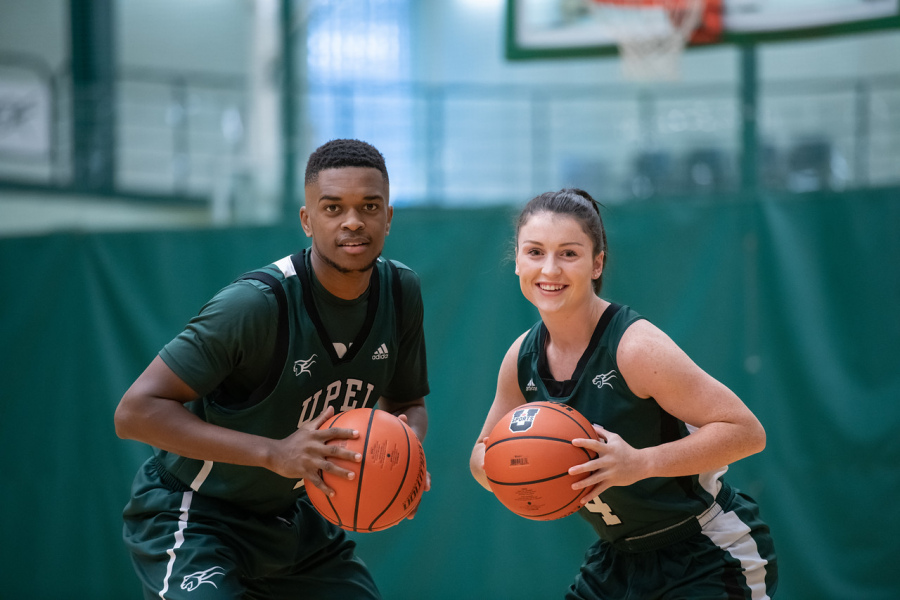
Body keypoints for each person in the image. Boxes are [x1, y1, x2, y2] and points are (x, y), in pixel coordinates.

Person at [115, 138, 430, 600]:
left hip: (291, 519)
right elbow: (135, 412)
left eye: (369, 206)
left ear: (388, 217)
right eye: (332, 207)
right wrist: (272, 453)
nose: (352, 221)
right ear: (307, 220)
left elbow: (407, 404)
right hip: (196, 513)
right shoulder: (255, 305)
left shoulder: (400, 291)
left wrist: (406, 451)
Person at [469, 188, 777, 599]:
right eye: (535, 252)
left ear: (597, 264)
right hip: (618, 556)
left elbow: (746, 432)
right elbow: (481, 456)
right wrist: (517, 472)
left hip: (704, 548)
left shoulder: (633, 347)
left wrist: (640, 463)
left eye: (569, 254)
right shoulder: (521, 357)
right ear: (518, 261)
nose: (550, 268)